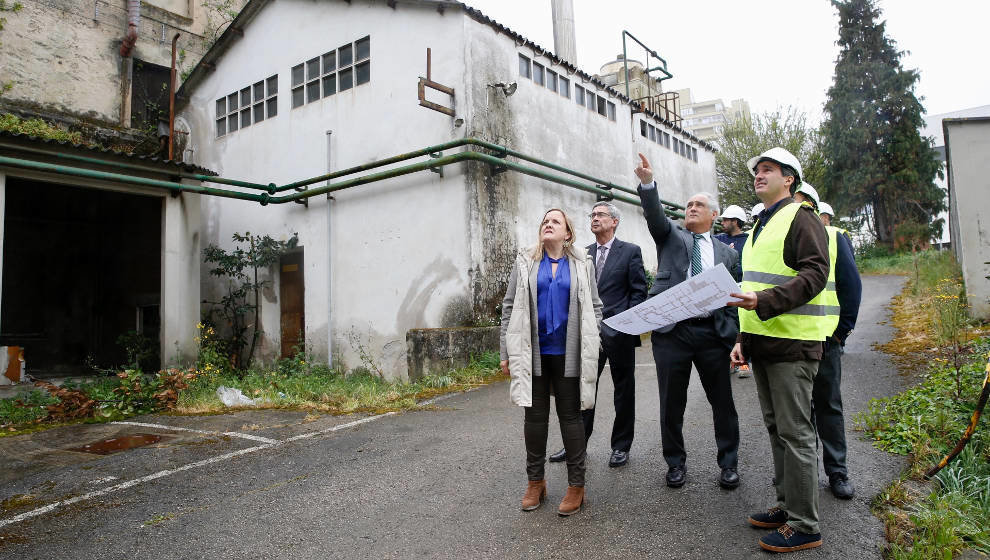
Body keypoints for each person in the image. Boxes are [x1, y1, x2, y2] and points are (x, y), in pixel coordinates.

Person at [728, 147, 834, 553]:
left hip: (793, 344)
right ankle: (787, 506)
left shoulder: (801, 217)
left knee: (796, 433)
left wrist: (765, 303)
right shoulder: (759, 225)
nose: (759, 175)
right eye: (756, 170)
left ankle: (805, 524)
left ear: (789, 178)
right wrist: (742, 340)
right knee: (778, 430)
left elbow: (815, 274)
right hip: (765, 343)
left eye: (767, 170)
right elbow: (751, 290)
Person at [634, 153, 743, 491]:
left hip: (713, 334)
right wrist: (648, 184)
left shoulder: (728, 254)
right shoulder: (671, 236)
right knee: (671, 402)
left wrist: (737, 339)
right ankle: (675, 464)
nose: (691, 208)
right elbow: (655, 217)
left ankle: (728, 464)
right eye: (689, 204)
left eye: (699, 205)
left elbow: (735, 299)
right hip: (673, 334)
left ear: (714, 215)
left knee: (722, 403)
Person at [500, 208, 603, 516]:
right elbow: (509, 308)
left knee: (571, 420)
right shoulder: (525, 261)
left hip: (569, 353)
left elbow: (596, 307)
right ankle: (536, 483)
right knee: (534, 420)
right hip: (534, 353)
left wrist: (592, 339)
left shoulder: (582, 263)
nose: (548, 224)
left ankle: (576, 486)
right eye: (544, 221)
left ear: (567, 233)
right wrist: (506, 352)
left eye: (555, 221)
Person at [549, 202, 647, 468]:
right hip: (587, 335)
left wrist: (623, 323)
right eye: (592, 215)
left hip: (619, 333)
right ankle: (576, 445)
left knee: (624, 390)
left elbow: (638, 292)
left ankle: (621, 446)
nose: (594, 218)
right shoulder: (581, 253)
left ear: (614, 221)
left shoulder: (630, 252)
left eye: (600, 215)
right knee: (583, 389)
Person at [715, 204, 753, 378]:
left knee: (742, 326)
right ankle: (730, 361)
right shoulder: (718, 239)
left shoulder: (749, 240)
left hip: (742, 286)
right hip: (722, 288)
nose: (723, 222)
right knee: (726, 326)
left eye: (727, 219)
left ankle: (744, 362)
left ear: (736, 222)